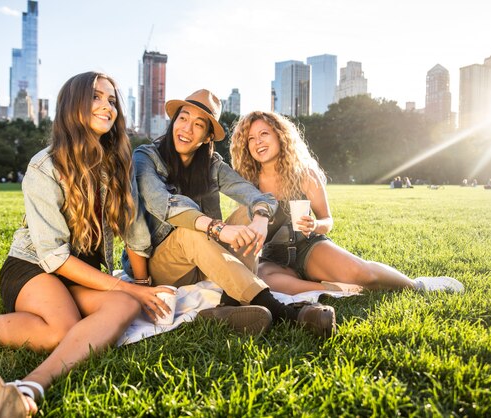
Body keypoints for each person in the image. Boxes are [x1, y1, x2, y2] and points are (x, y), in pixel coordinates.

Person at [0, 72, 172, 418]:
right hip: (34, 267)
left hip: (80, 275)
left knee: (124, 306)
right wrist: (126, 287)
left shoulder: (119, 163)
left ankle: (24, 384)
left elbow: (134, 231)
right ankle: (19, 383)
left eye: (112, 100)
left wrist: (143, 287)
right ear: (73, 106)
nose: (107, 107)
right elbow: (54, 257)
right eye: (96, 97)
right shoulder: (44, 167)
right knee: (61, 329)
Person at [122, 89, 337, 339]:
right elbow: (163, 203)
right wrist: (217, 228)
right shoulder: (145, 158)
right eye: (183, 118)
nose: (187, 129)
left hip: (204, 256)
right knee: (190, 232)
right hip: (163, 265)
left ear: (207, 136)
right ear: (174, 122)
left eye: (198, 124)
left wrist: (259, 219)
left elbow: (255, 195)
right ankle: (286, 314)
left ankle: (229, 306)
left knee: (247, 214)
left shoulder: (212, 165)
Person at [229, 111, 464, 295]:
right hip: (272, 258)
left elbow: (327, 220)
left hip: (308, 249)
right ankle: (334, 290)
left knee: (363, 274)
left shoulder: (304, 173)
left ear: (280, 136)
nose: (257, 142)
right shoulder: (248, 183)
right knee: (264, 280)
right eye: (251, 138)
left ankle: (416, 285)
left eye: (264, 134)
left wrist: (315, 225)